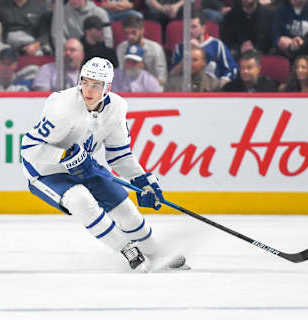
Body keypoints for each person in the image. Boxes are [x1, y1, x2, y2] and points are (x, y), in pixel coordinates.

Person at [20, 56, 188, 271]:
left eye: (96, 85)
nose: (88, 90)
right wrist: (64, 157)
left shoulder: (117, 107)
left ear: (107, 88)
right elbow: (30, 148)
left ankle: (156, 252)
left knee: (124, 207)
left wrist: (142, 180)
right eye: (85, 82)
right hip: (46, 171)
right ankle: (127, 249)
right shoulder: (62, 106)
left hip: (84, 165)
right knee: (81, 200)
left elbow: (119, 155)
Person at [170, 10, 239, 86]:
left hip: (212, 90)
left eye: (194, 27)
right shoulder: (179, 48)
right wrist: (184, 60)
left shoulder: (216, 45)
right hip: (187, 90)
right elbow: (171, 74)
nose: (190, 31)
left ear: (203, 29)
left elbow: (232, 70)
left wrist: (221, 85)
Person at [116, 15, 168, 87]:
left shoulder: (156, 49)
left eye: (133, 32)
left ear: (142, 30)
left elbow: (161, 78)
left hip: (152, 89)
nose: (130, 36)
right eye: (127, 33)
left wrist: (147, 88)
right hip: (128, 88)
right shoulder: (121, 48)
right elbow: (122, 74)